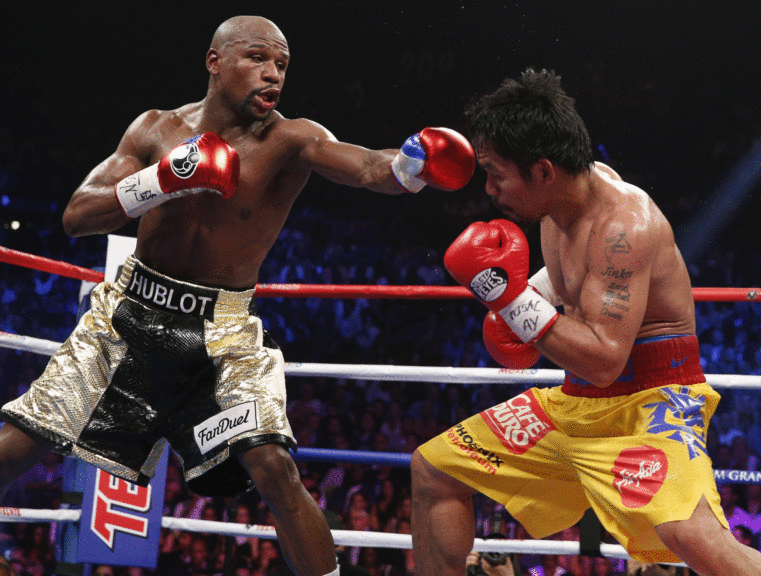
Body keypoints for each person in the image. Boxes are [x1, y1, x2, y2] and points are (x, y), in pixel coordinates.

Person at [0, 15, 475, 576]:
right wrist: (164, 179)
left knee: (274, 467)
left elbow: (372, 168)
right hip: (126, 318)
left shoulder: (291, 139)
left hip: (221, 335)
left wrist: (413, 164)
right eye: (257, 58)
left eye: (282, 64)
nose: (273, 74)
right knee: (22, 441)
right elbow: (78, 216)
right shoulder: (155, 128)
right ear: (215, 61)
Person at [409, 68, 761, 576]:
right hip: (576, 402)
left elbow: (603, 361)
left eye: (496, 174)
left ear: (543, 171)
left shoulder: (625, 226)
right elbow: (576, 282)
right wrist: (525, 298)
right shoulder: (562, 201)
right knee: (434, 470)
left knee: (694, 538)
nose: (489, 189)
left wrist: (511, 299)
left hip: (652, 402)